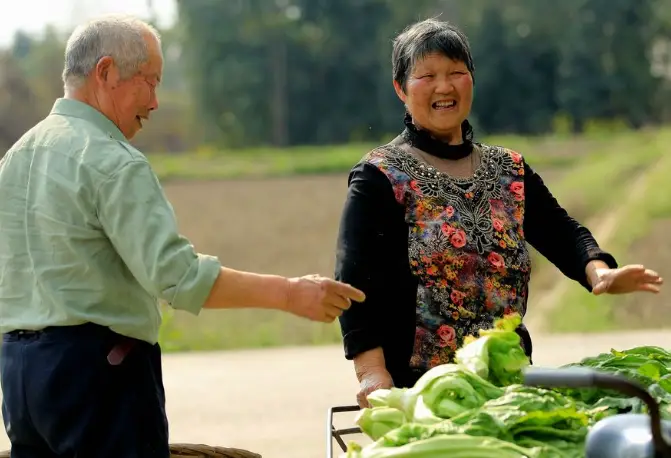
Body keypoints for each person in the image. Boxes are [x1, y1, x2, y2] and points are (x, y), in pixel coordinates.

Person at [0, 15, 365, 458]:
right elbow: (176, 277)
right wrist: (290, 294)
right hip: (96, 378)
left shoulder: (16, 157)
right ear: (106, 72)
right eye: (149, 82)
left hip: (19, 378)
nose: (155, 102)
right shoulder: (111, 161)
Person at [334, 18, 663, 409]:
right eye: (427, 75)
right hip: (421, 392)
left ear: (471, 80)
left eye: (456, 72)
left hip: (509, 383)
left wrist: (600, 272)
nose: (444, 86)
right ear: (400, 89)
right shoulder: (380, 176)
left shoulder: (509, 169)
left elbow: (562, 231)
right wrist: (372, 373)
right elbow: (355, 281)